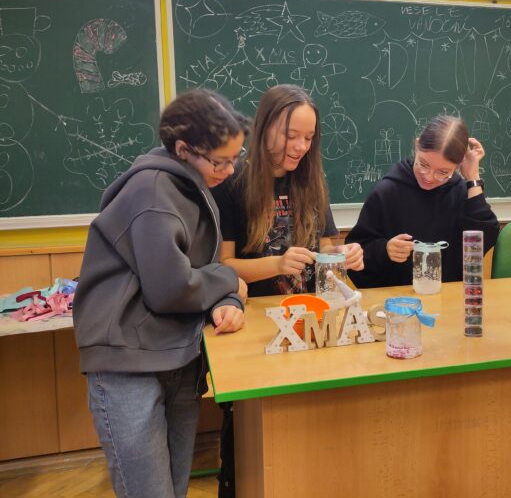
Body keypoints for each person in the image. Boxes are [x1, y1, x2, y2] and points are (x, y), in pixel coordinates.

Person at [73, 88, 250, 498]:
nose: (229, 170)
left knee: (174, 488)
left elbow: (203, 269)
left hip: (177, 354)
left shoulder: (197, 189)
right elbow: (171, 289)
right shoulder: (152, 191)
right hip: (128, 364)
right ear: (183, 149)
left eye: (235, 158)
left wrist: (227, 300)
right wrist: (229, 281)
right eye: (220, 161)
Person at [211, 83, 363, 496]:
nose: (300, 147)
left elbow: (329, 250)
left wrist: (346, 255)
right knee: (249, 440)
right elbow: (223, 267)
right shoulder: (232, 183)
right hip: (256, 330)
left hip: (310, 325)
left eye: (308, 138)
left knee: (311, 433)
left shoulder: (311, 181)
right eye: (291, 135)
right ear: (264, 128)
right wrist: (277, 264)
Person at [346, 115, 498, 289]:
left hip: (448, 297)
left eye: (443, 172)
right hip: (397, 299)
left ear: (458, 165)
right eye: (423, 164)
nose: (429, 177)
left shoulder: (462, 192)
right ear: (417, 145)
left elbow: (481, 243)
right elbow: (356, 253)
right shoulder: (388, 191)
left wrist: (473, 178)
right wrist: (384, 249)